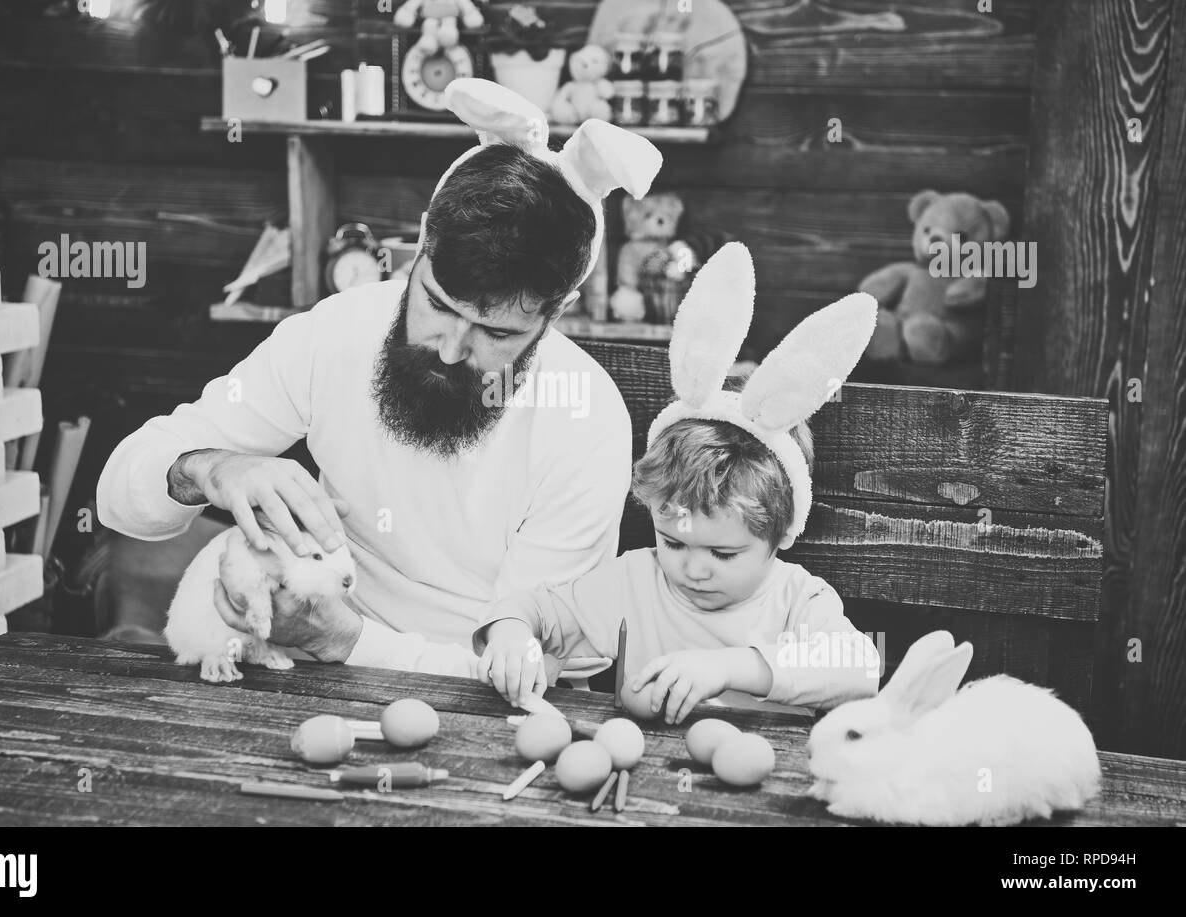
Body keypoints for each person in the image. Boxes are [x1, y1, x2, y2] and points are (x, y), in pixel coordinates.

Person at [95, 79, 662, 680]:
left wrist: (341, 639)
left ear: (560, 308)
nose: (451, 351)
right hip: (316, 674)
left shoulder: (586, 418)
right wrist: (209, 469)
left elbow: (537, 669)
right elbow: (120, 498)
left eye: (496, 333)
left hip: (480, 704)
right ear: (422, 241)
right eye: (437, 304)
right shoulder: (337, 332)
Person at [474, 243, 883, 720]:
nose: (694, 570)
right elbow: (536, 611)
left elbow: (859, 670)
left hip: (768, 764)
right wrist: (512, 635)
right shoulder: (635, 584)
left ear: (780, 534)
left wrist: (730, 668)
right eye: (673, 543)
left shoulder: (796, 601)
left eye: (723, 554)